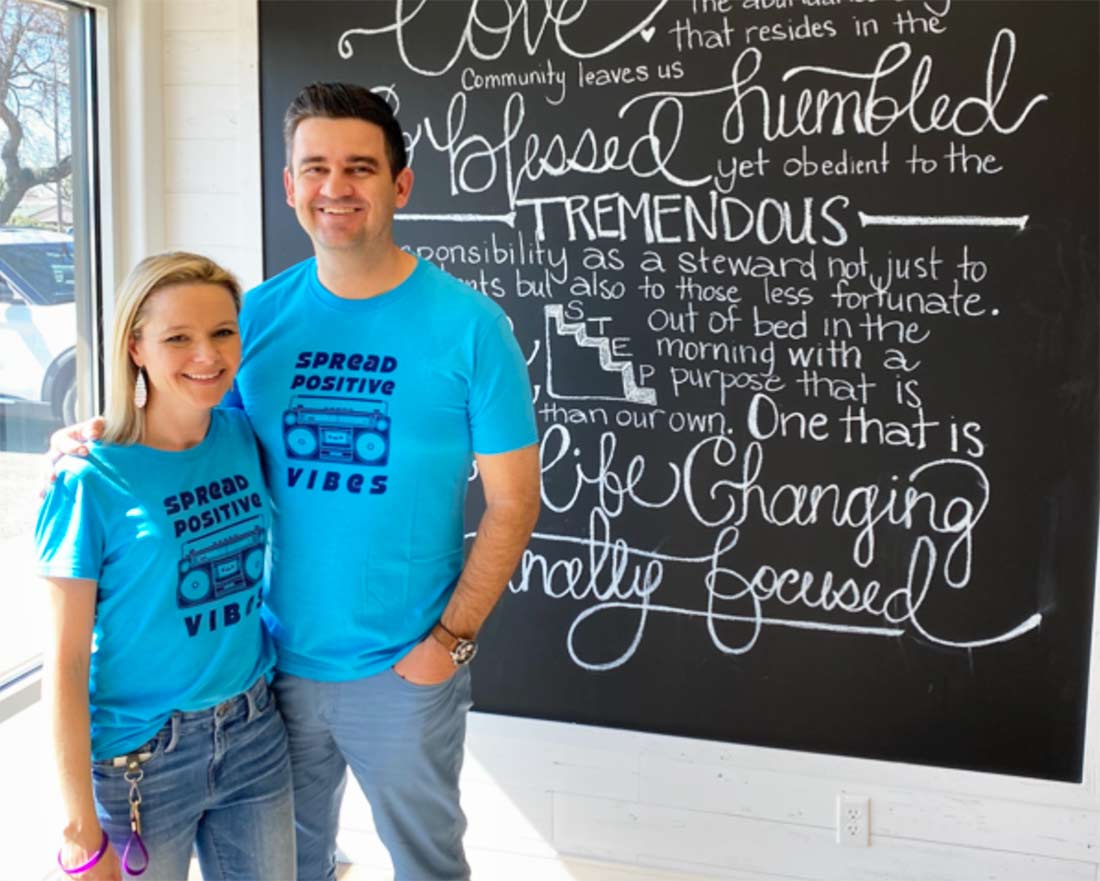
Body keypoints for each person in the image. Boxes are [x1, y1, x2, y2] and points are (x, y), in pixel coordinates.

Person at [52, 83, 540, 880]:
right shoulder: (257, 319)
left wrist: (447, 643)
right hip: (267, 672)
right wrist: (106, 431)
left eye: (359, 168)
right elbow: (198, 428)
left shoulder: (471, 327)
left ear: (400, 184)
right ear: (289, 185)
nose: (335, 188)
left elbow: (516, 501)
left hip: (404, 670)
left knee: (427, 864)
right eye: (315, 167)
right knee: (292, 866)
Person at [38, 253, 295, 881]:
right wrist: (79, 830)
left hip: (254, 735)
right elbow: (65, 662)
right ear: (136, 347)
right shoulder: (87, 477)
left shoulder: (242, 437)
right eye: (177, 337)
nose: (206, 355)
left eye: (222, 333)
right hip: (140, 761)